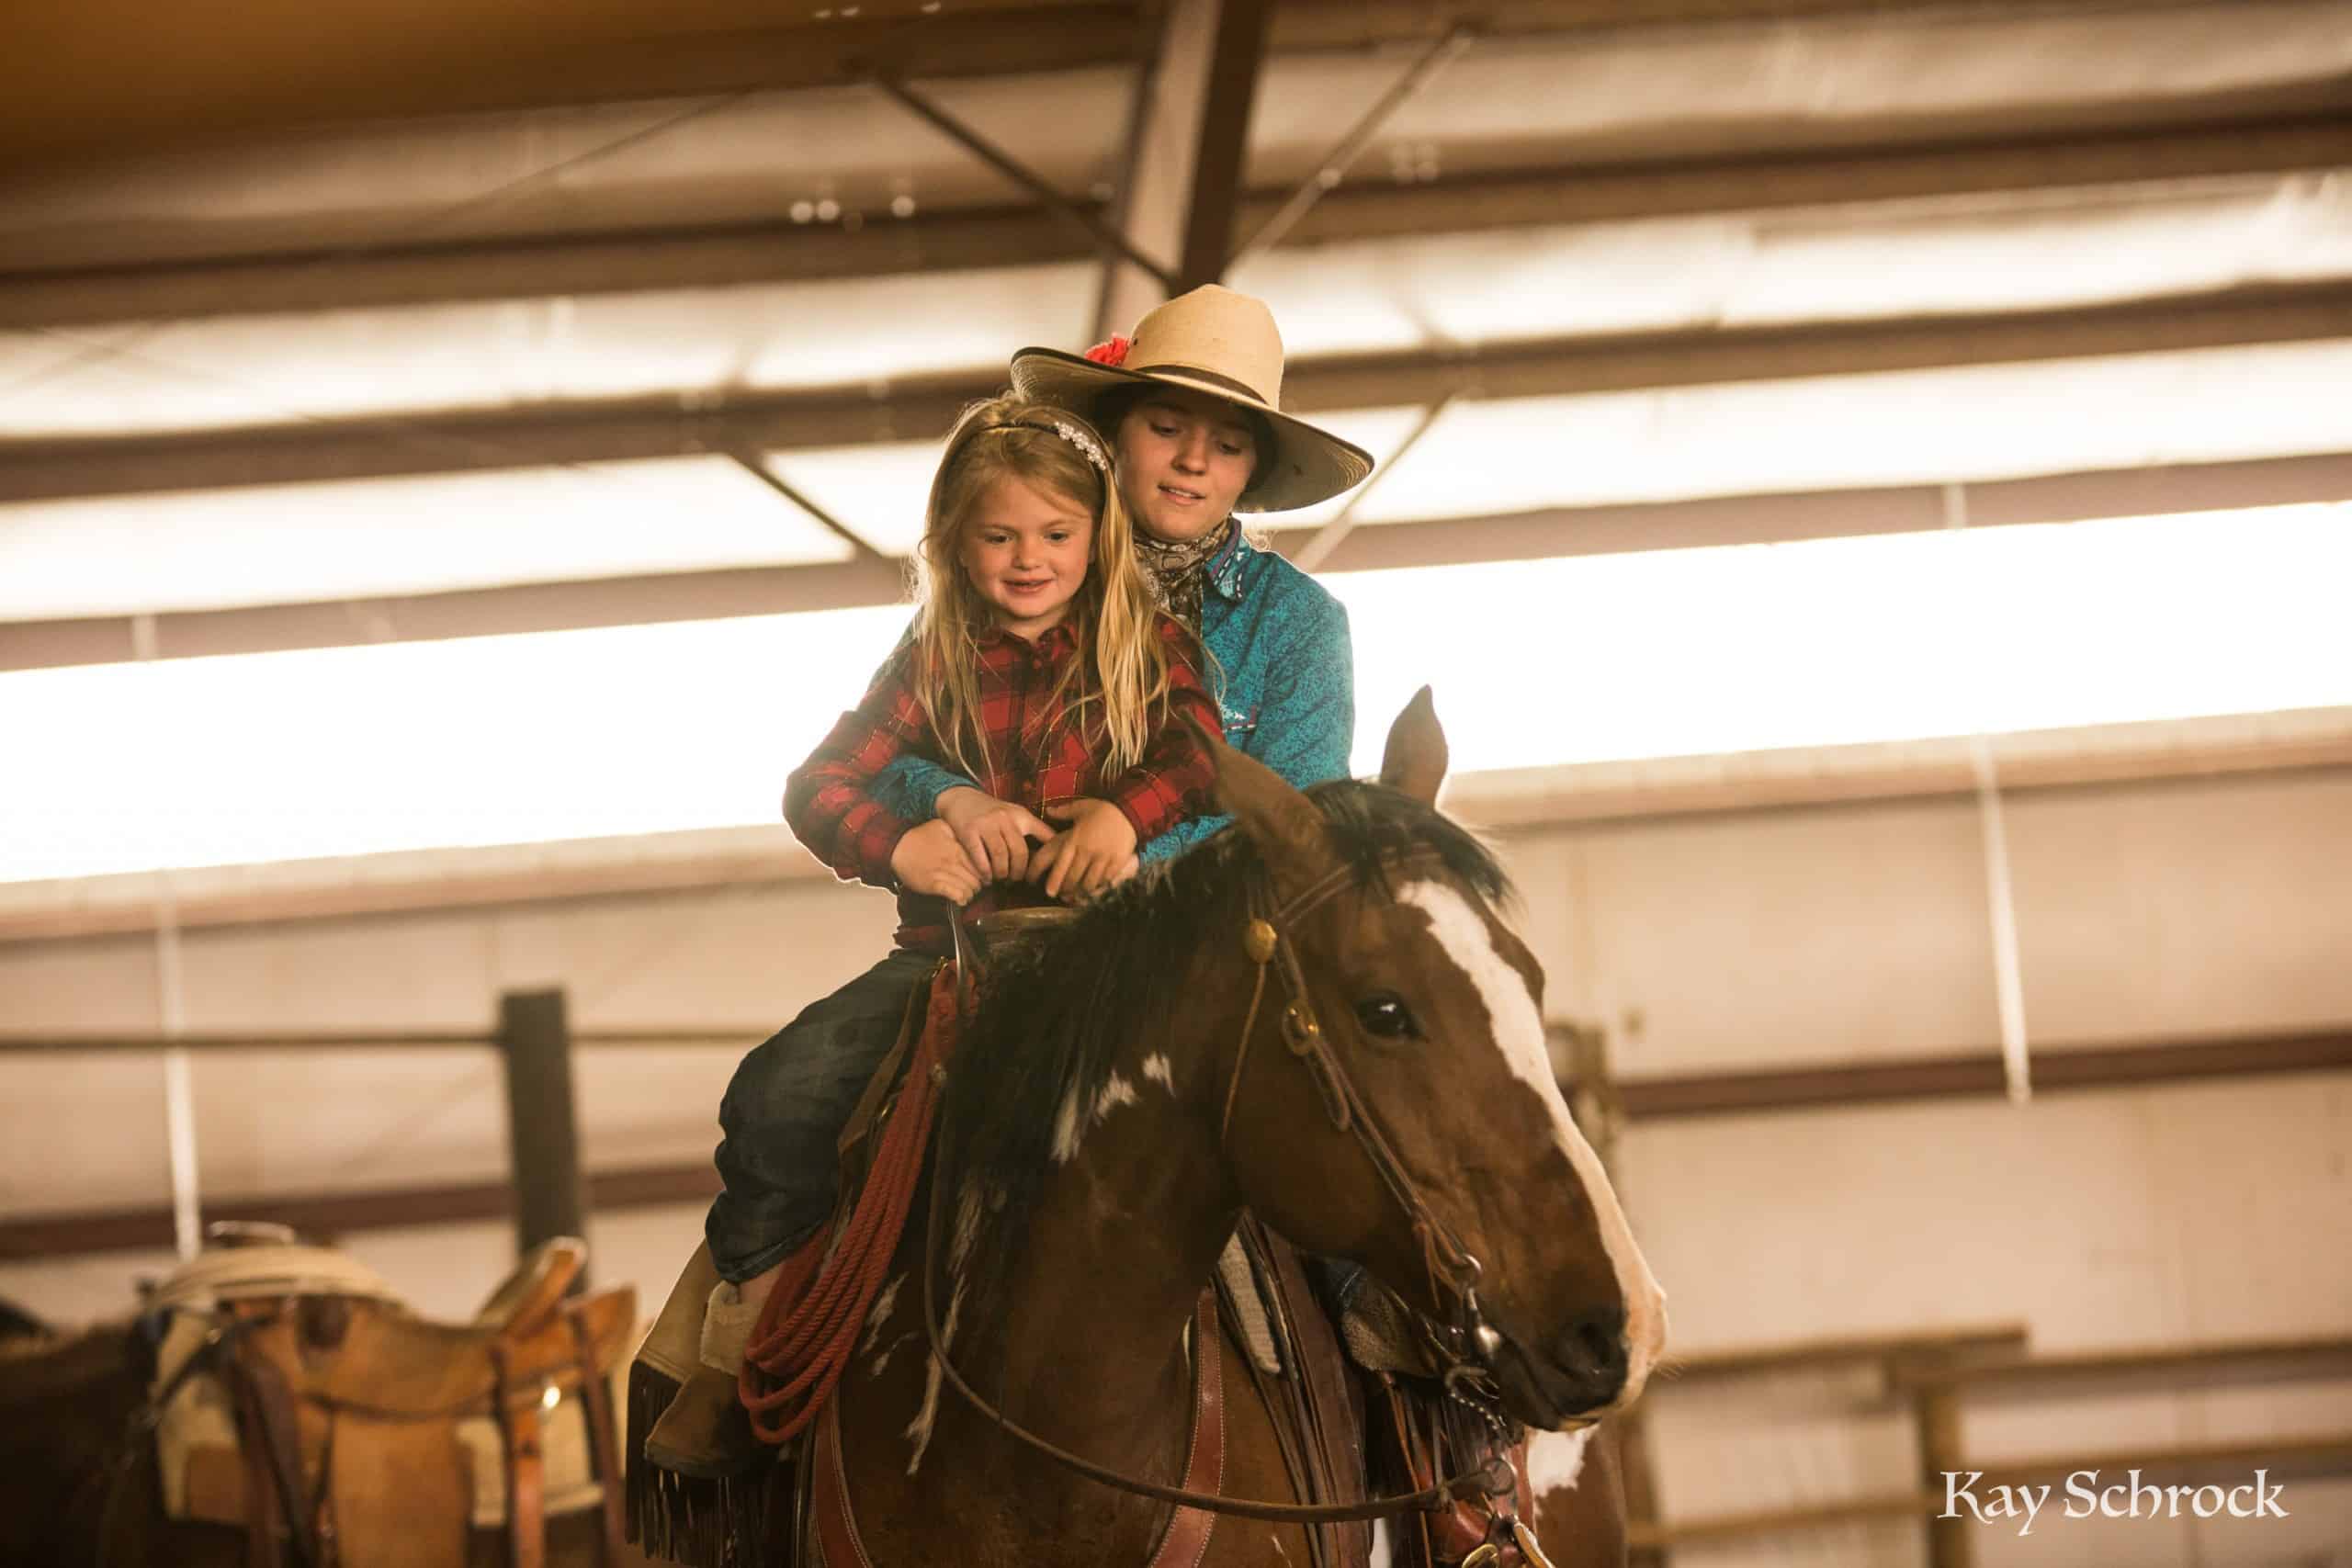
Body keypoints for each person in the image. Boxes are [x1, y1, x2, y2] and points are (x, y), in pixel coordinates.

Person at [643, 396, 1227, 1475]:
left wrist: (1120, 815)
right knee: (781, 1089)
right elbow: (819, 782)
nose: (1028, 560)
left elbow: (1195, 759)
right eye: (999, 536)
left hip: (1112, 954)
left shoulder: (1149, 644)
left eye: (1055, 535)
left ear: (1095, 536)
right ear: (955, 543)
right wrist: (904, 844)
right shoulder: (930, 658)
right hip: (956, 960)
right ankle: (739, 1351)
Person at [866, 283, 1377, 886]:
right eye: (1165, 427)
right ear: (1114, 432)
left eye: (1228, 445)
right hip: (1001, 929)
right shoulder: (1018, 576)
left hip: (1215, 947)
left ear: (1251, 470)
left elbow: (1304, 816)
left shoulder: (1298, 619)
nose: (1193, 460)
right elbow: (877, 760)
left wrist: (1131, 848)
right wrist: (952, 797)